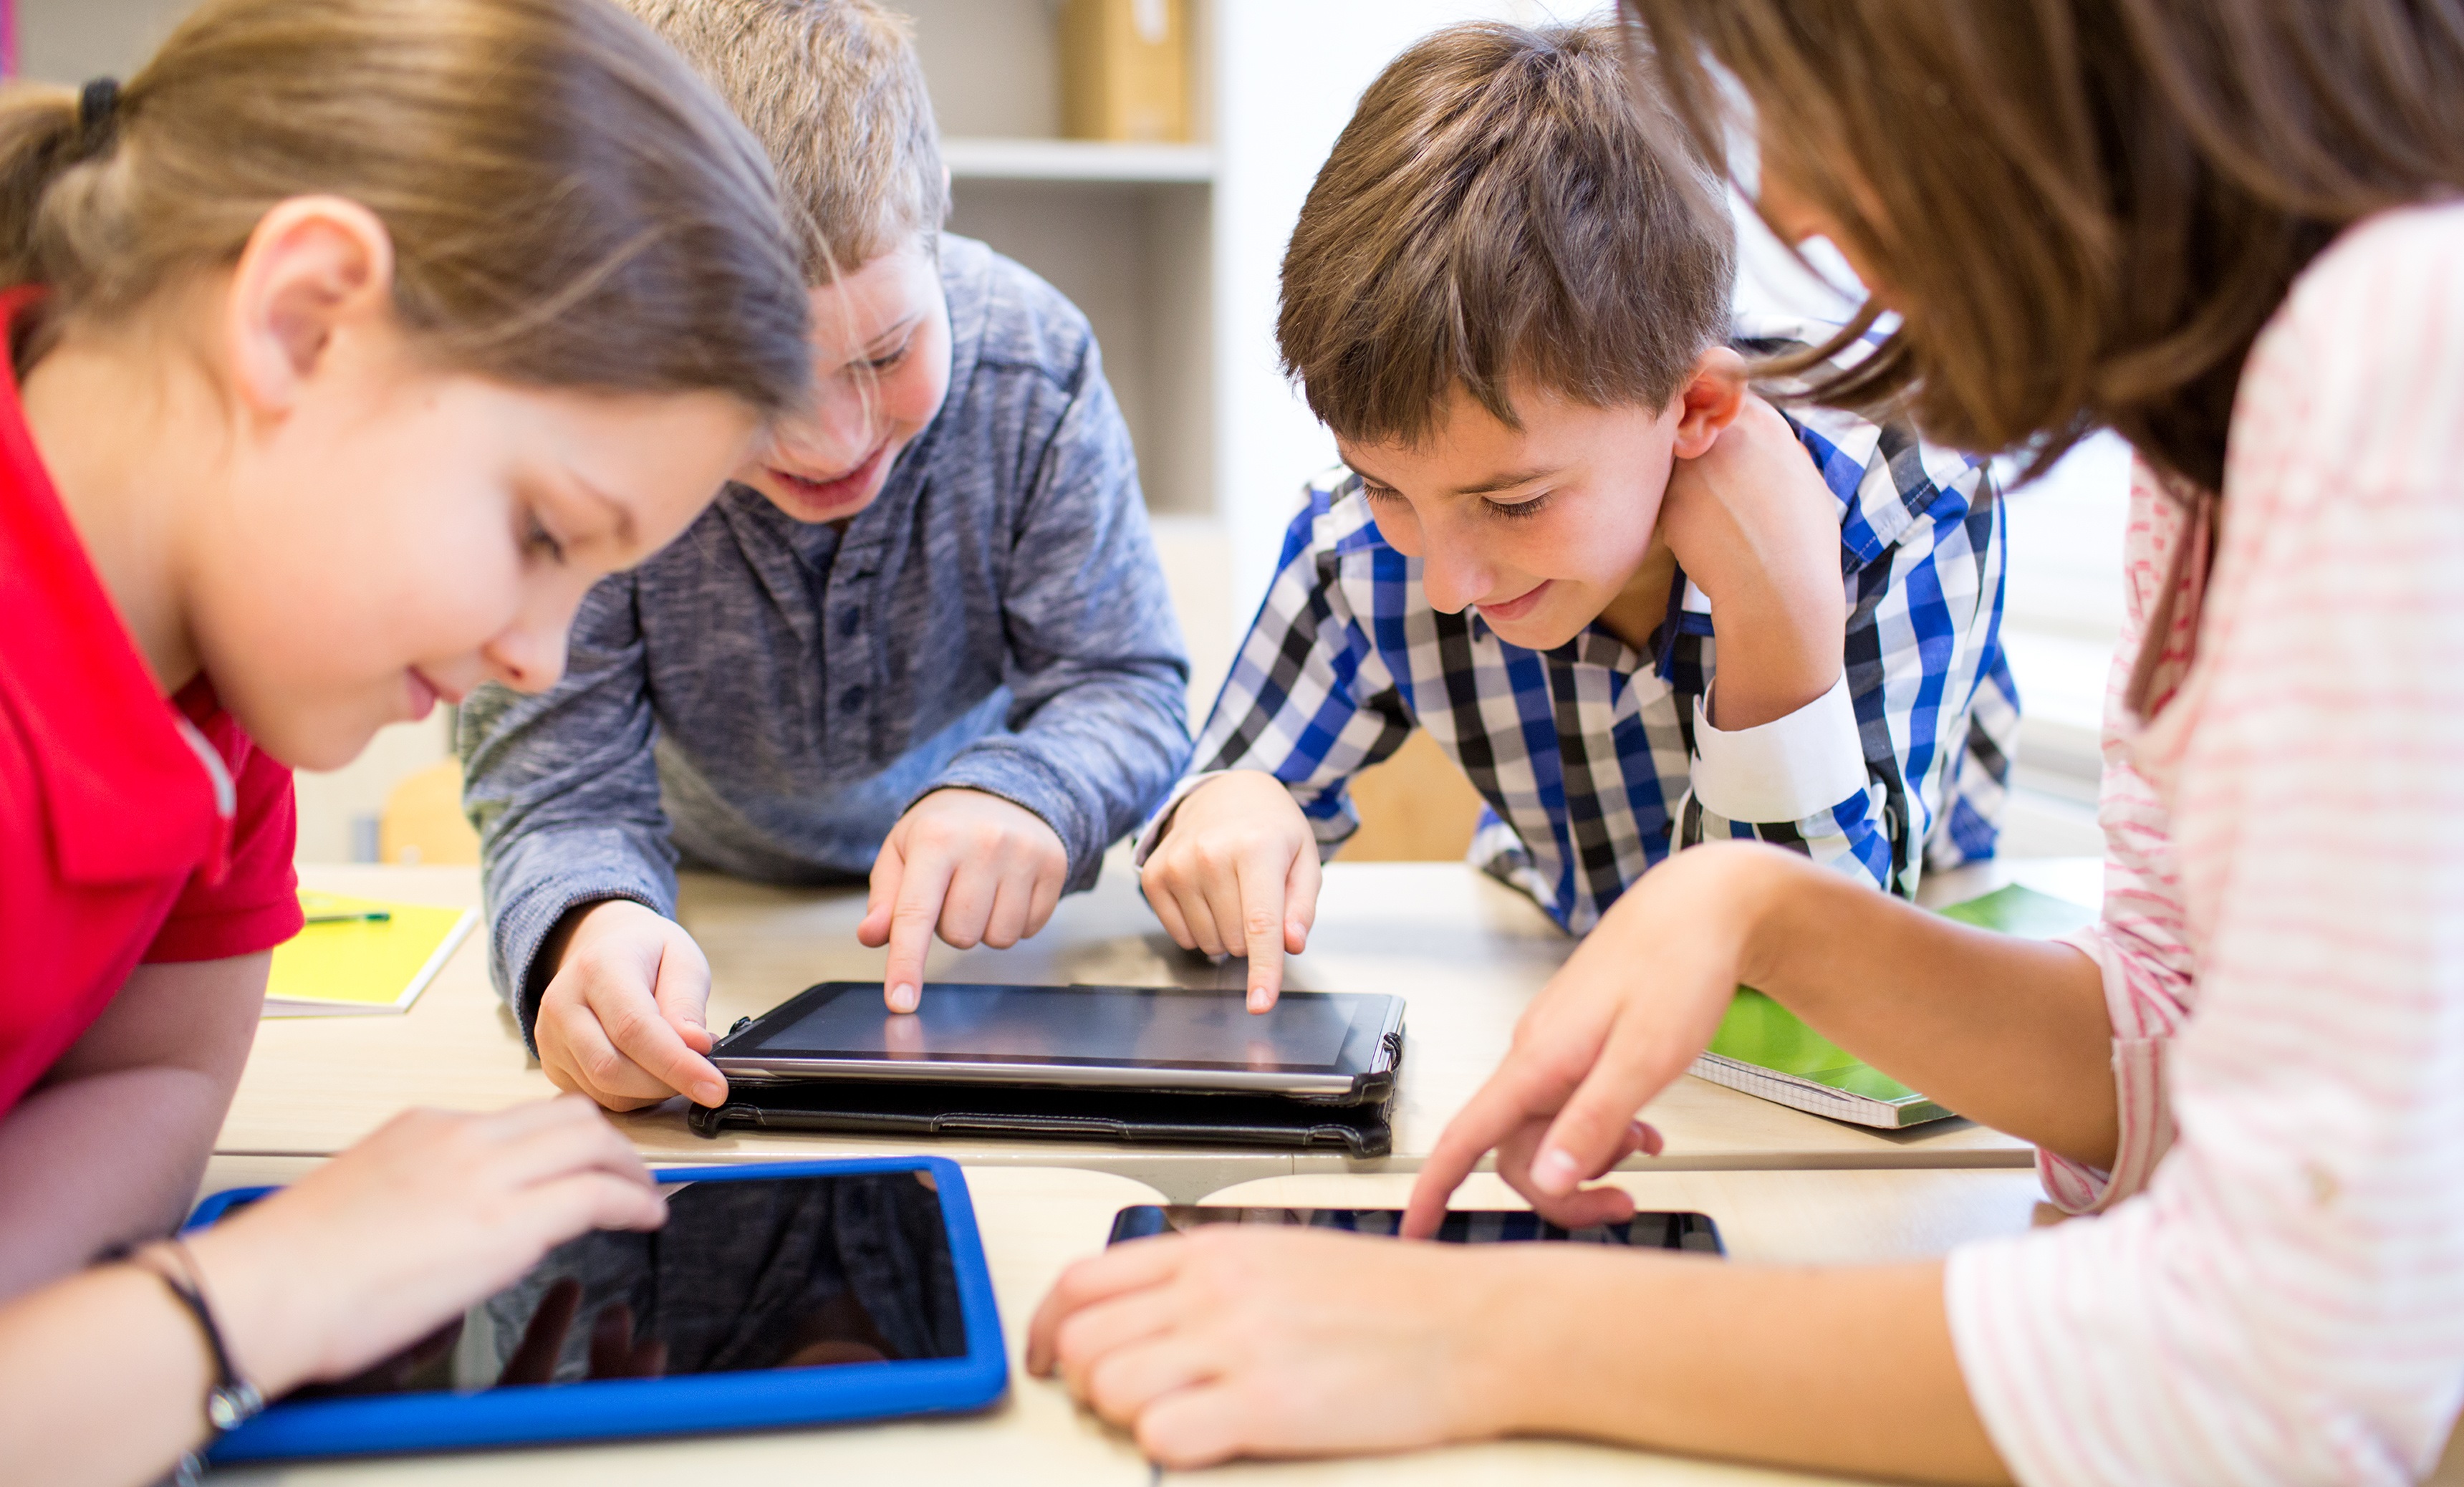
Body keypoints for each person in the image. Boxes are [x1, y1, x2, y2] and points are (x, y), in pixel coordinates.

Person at [1026, 2, 2464, 1481]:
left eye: (1803, 86)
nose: (1776, 199)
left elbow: (2297, 1363)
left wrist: (1478, 1328)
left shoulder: (2384, 355)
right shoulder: (2211, 445)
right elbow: (2165, 1046)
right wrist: (1752, 906)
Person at [0, 0, 815, 1478]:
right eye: (540, 530)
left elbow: (158, 1081)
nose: (540, 654)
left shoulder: (224, 674)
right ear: (301, 317)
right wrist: (255, 1298)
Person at [1134, 20, 2016, 1011]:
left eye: (1514, 502)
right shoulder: (1361, 549)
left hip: (1906, 992)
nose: (1447, 581)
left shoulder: (1904, 494)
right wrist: (1231, 807)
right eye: (1382, 483)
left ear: (1695, 410)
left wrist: (1780, 612)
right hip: (1563, 951)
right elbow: (1205, 809)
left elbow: (1813, 968)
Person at [458, 0, 1192, 1113]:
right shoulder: (587, 418)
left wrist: (1031, 792)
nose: (833, 441)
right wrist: (586, 927)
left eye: (889, 351)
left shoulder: (1034, 367)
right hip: (687, 908)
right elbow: (559, 790)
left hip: (982, 938)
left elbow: (1125, 684)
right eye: (756, 387)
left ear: (936, 225)